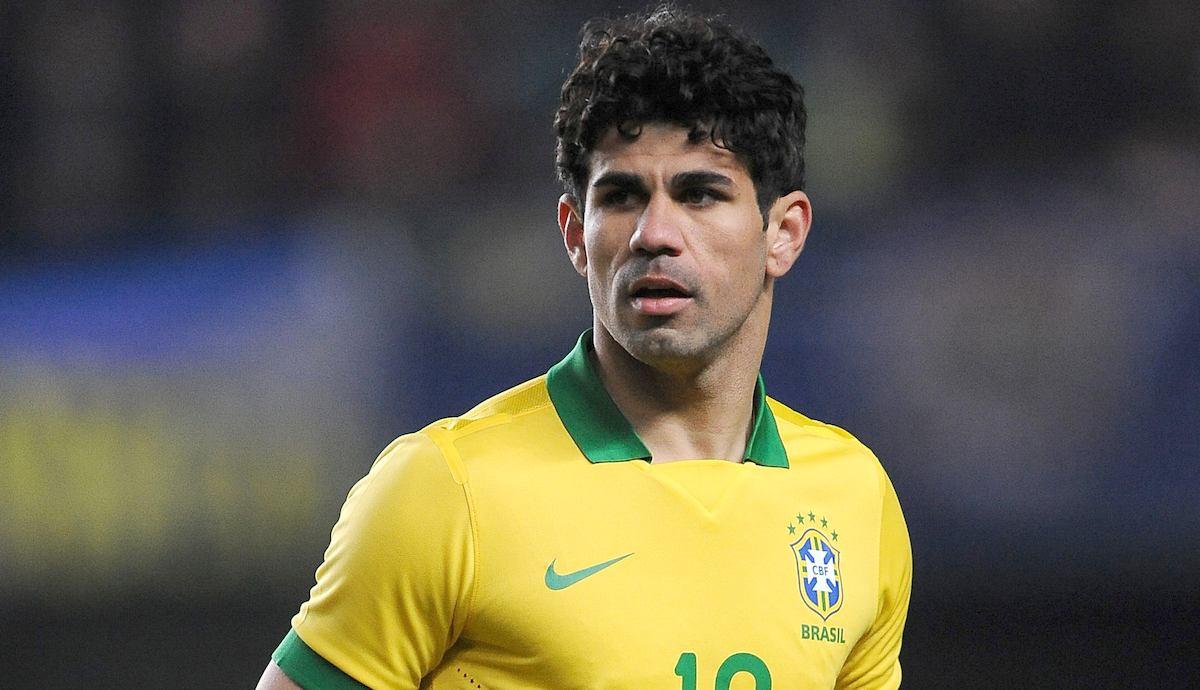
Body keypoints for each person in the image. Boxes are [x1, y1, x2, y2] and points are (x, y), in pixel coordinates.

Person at [257, 5, 911, 689]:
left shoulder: (854, 500)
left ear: (784, 233)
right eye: (622, 197)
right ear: (576, 235)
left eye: (699, 194)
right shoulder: (447, 491)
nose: (655, 233)